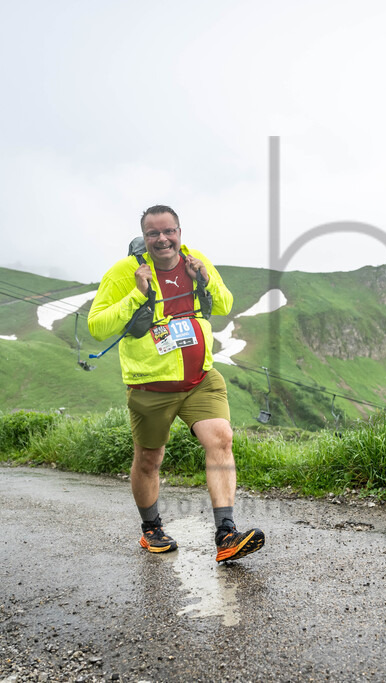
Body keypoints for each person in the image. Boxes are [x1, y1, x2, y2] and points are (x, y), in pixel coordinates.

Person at [88, 204, 265, 562]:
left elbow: (224, 303)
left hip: (201, 378)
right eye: (153, 233)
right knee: (149, 459)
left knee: (221, 438)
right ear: (145, 237)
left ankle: (226, 533)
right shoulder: (124, 272)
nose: (162, 239)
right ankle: (151, 529)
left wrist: (205, 279)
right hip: (151, 386)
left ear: (179, 232)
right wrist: (137, 295)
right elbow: (97, 326)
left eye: (169, 231)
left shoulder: (194, 260)